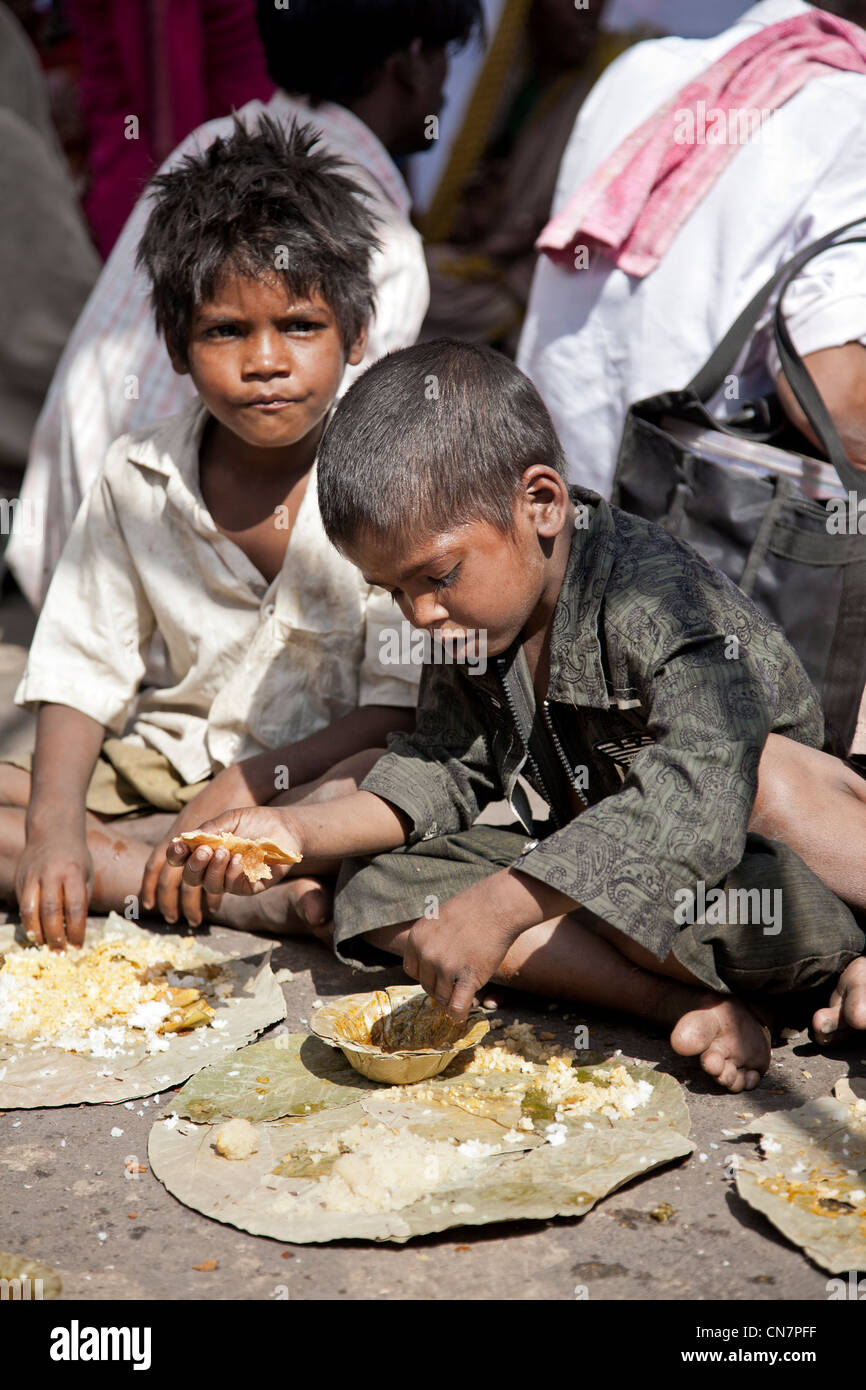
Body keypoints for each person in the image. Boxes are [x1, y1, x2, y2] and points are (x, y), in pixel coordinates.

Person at [167, 340, 866, 1094]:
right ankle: (692, 1004)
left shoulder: (655, 597)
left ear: (541, 503)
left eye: (438, 577)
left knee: (758, 775)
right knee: (378, 884)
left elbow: (696, 794)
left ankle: (837, 962)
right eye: (394, 592)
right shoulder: (470, 623)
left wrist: (502, 905)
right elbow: (445, 764)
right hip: (610, 898)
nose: (421, 614)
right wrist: (295, 832)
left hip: (770, 892)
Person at [3, 118, 419, 951]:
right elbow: (82, 671)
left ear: (358, 334)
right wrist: (54, 830)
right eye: (226, 331)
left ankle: (152, 866)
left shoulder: (398, 480)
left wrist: (244, 785)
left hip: (312, 785)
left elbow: (391, 711)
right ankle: (230, 894)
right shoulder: (136, 475)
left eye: (300, 326)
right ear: (176, 347)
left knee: (382, 794)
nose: (265, 360)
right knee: (31, 806)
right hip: (161, 764)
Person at [8, 0, 483, 610]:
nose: (447, 84)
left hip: (61, 558)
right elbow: (347, 474)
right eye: (445, 55)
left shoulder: (208, 146)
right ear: (412, 61)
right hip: (174, 595)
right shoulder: (383, 240)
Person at [517, 0, 866, 752]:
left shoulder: (637, 70)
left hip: (544, 555)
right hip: (685, 585)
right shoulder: (853, 108)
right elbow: (837, 401)